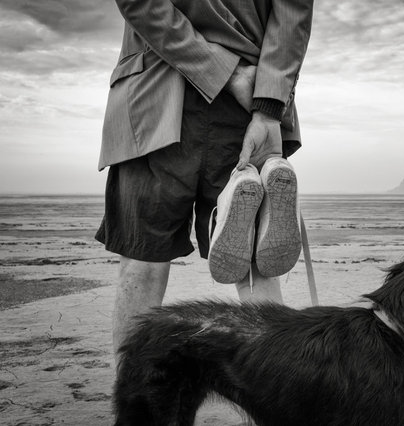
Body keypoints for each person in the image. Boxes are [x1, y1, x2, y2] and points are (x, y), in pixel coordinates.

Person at [95, 0, 314, 357]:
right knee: (255, 267)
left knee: (143, 261)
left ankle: (135, 408)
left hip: (156, 86)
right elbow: (293, 14)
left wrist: (225, 73)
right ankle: (277, 403)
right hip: (249, 99)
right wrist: (268, 108)